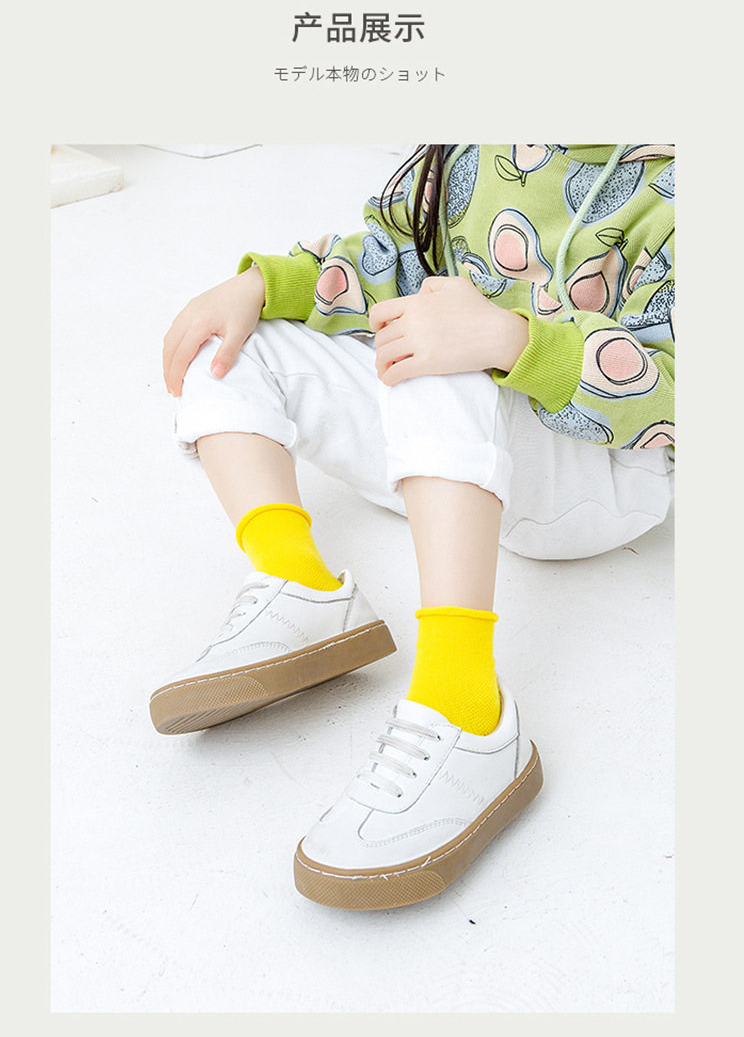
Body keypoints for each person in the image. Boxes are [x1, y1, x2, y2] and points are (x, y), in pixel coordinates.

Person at [151, 143, 675, 912]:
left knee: (441, 356)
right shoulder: (478, 145)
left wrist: (509, 341)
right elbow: (391, 259)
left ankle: (466, 706)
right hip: (449, 459)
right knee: (232, 343)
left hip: (597, 475)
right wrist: (264, 284)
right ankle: (296, 579)